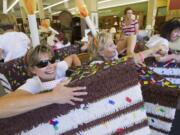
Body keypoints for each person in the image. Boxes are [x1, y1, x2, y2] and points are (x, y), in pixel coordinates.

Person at [0, 45, 87, 118]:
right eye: (42, 64)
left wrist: (78, 72)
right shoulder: (34, 83)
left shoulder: (58, 67)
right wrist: (53, 96)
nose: (50, 66)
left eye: (51, 60)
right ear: (33, 70)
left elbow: (73, 56)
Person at [88, 32, 167, 65]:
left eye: (113, 43)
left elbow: (132, 36)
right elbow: (131, 60)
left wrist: (130, 52)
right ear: (101, 52)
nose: (115, 47)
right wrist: (153, 49)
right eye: (111, 45)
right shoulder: (97, 64)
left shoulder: (111, 53)